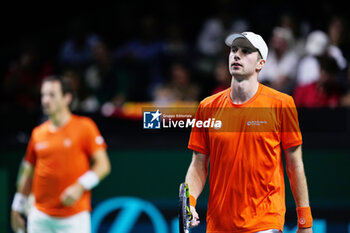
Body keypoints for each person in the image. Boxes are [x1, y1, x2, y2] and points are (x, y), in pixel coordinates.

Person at [184, 32, 313, 232]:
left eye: (246, 51)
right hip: (219, 225)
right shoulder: (207, 107)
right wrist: (189, 202)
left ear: (261, 63)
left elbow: (294, 165)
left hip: (264, 221)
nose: (237, 55)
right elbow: (198, 165)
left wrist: (305, 220)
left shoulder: (282, 104)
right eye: (234, 50)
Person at [10, 75, 111, 233]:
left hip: (74, 217)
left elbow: (103, 165)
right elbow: (27, 173)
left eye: (52, 95)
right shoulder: (38, 134)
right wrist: (17, 207)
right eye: (43, 95)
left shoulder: (85, 127)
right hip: (40, 217)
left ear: (67, 98)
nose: (45, 100)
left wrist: (80, 186)